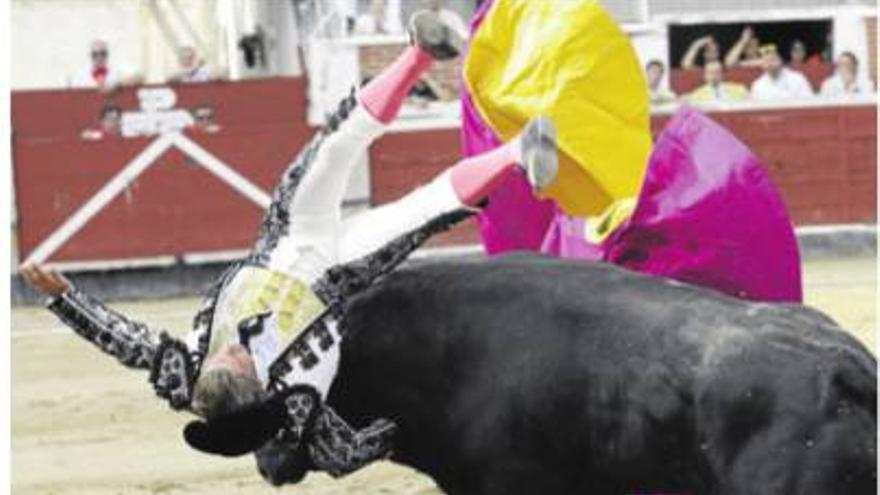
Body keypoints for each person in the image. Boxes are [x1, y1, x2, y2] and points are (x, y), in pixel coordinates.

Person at [21, 10, 557, 468]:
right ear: (261, 388)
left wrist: (63, 299)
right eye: (240, 361)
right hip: (337, 273)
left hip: (284, 235)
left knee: (336, 144)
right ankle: (520, 151)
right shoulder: (297, 402)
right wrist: (397, 434)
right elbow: (346, 455)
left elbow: (126, 341)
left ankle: (420, 50)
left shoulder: (186, 372)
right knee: (427, 207)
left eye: (219, 358)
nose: (230, 348)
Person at [69, 39, 143, 91]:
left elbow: (139, 77)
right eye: (95, 54)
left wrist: (117, 84)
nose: (99, 57)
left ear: (107, 54)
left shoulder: (117, 70)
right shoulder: (81, 75)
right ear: (90, 56)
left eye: (103, 53)